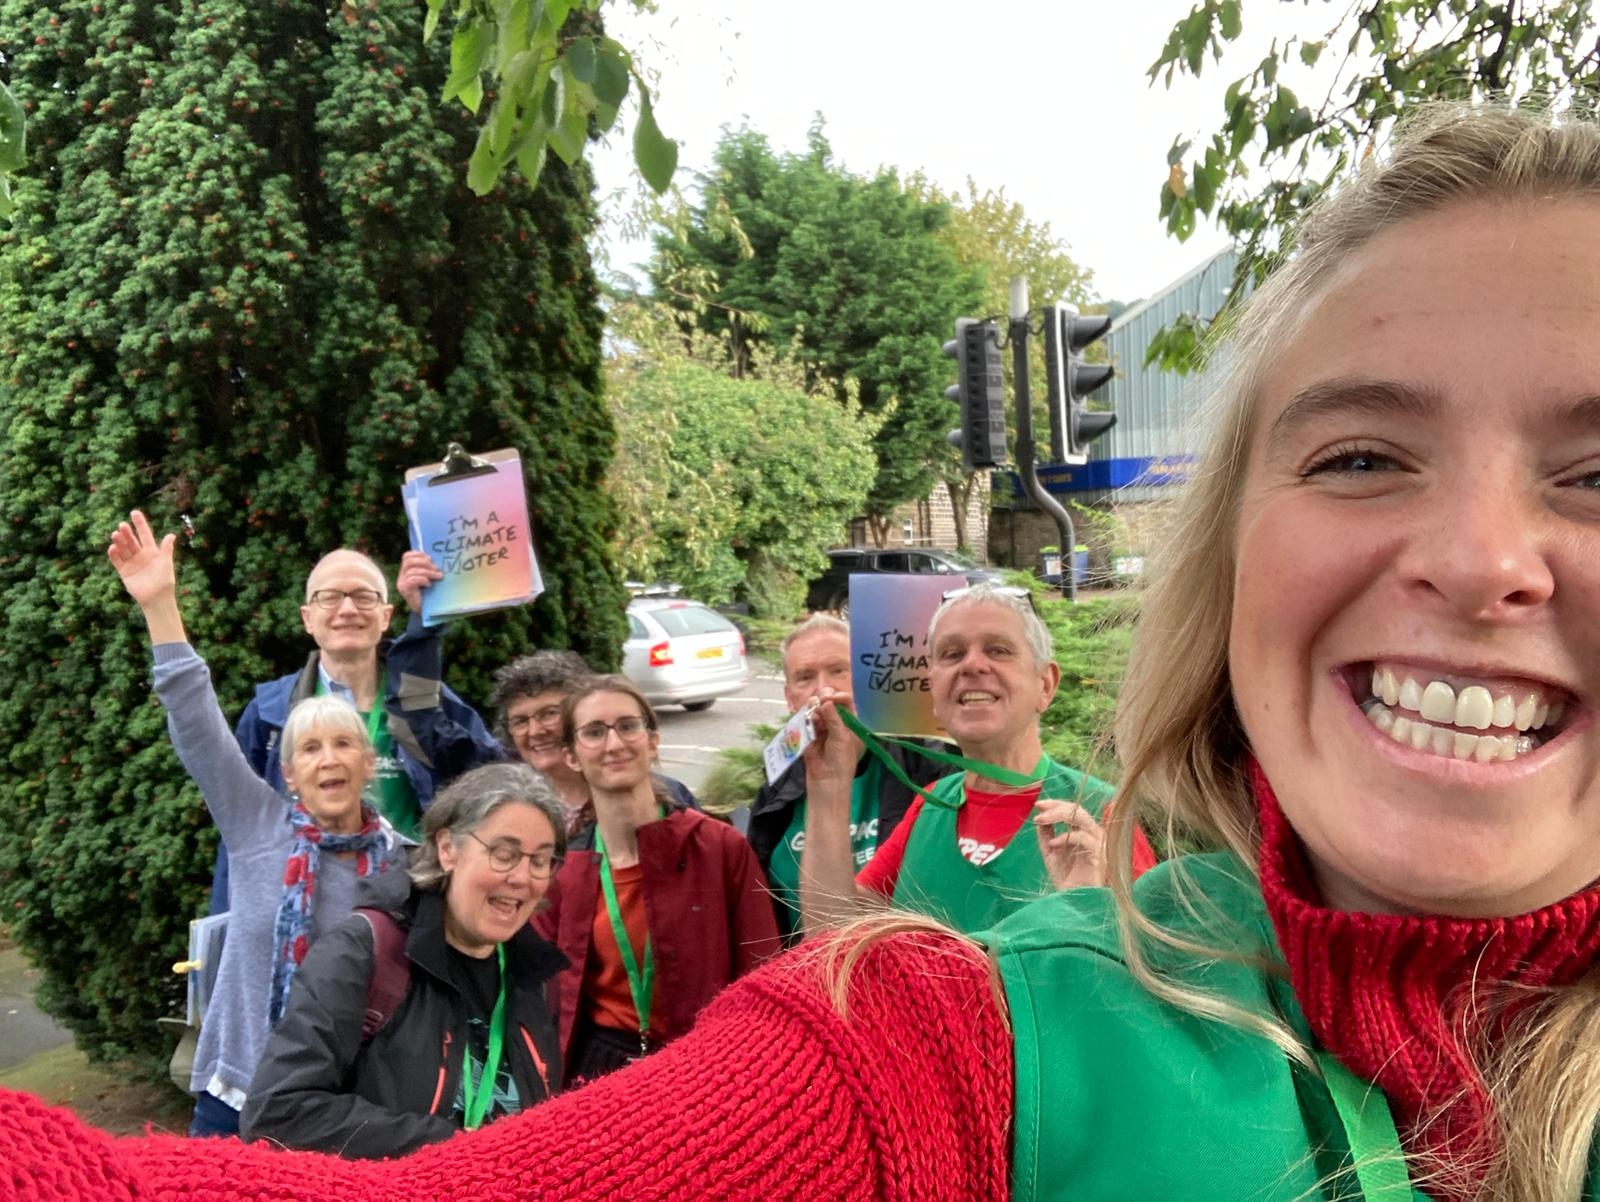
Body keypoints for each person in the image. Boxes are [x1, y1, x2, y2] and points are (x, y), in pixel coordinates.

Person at [12, 103, 1600, 1201]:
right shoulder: (978, 1030)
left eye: (1593, 474)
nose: (1476, 557)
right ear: (1233, 562)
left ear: (1056, 678)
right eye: (1358, 458)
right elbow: (824, 949)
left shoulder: (1095, 819)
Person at [107, 511, 405, 1139]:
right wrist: (160, 605)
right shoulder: (257, 826)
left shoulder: (405, 864)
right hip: (237, 1094)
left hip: (347, 1103)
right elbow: (195, 721)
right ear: (289, 773)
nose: (329, 759)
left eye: (343, 745)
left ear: (367, 761)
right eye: (310, 748)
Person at [241, 762, 568, 1158]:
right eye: (503, 854)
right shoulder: (362, 954)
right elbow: (276, 1112)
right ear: (448, 849)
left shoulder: (536, 975)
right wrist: (454, 1148)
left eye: (540, 861)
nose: (522, 877)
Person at [799, 584, 1157, 937]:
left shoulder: (1101, 814)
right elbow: (834, 935)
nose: (971, 664)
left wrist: (1090, 910)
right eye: (952, 654)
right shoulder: (928, 809)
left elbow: (1150, 972)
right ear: (934, 691)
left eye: (998, 649)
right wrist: (828, 783)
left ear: (1046, 685)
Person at [212, 544, 502, 911]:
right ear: (307, 618)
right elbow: (238, 833)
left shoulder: (429, 700)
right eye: (329, 597)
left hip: (407, 905)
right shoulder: (270, 715)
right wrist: (228, 921)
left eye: (364, 597)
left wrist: (425, 627)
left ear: (385, 615)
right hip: (303, 903)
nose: (347, 610)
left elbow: (488, 785)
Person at [535, 675, 780, 1080]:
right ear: (573, 755)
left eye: (628, 726)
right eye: (594, 732)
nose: (614, 744)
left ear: (652, 740)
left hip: (711, 1066)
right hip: (601, 1073)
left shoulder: (719, 847)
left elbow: (762, 973)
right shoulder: (564, 872)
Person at [746, 615, 949, 940]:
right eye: (805, 677)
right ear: (789, 698)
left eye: (839, 670)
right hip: (805, 975)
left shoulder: (925, 768)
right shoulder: (779, 784)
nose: (823, 689)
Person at [489, 650, 698, 837]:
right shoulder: (511, 808)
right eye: (520, 721)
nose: (535, 731)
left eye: (549, 714)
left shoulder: (668, 796)